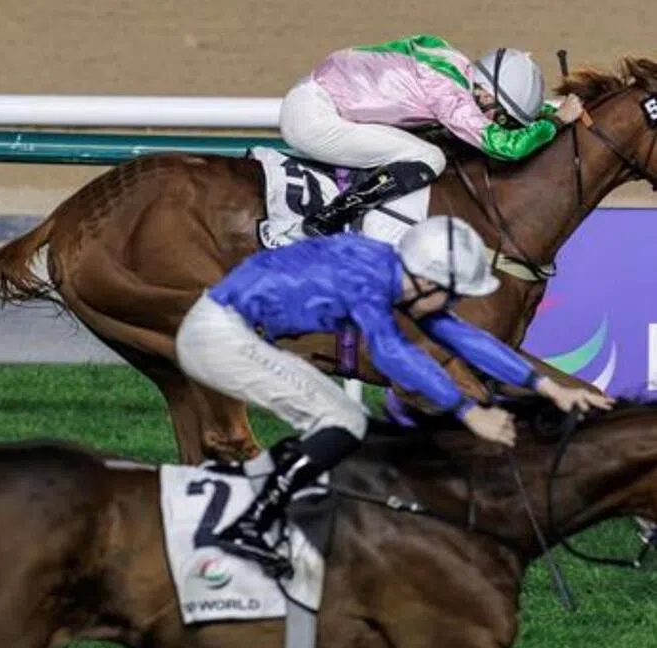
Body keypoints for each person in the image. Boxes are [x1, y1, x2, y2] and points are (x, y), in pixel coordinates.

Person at [174, 215, 611, 576]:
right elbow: (390, 352)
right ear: (428, 281)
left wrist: (548, 387)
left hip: (228, 329)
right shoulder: (368, 278)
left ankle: (265, 513)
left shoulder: (396, 272)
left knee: (343, 422)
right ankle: (249, 526)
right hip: (220, 336)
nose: (454, 304)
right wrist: (467, 412)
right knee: (342, 421)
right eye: (453, 295)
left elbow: (461, 336)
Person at [278, 35, 586, 236]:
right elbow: (505, 147)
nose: (498, 123)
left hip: (317, 96)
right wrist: (557, 121)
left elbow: (505, 115)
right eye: (500, 117)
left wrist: (548, 112)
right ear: (487, 95)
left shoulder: (452, 62)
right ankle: (329, 218)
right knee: (430, 157)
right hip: (312, 119)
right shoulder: (450, 96)